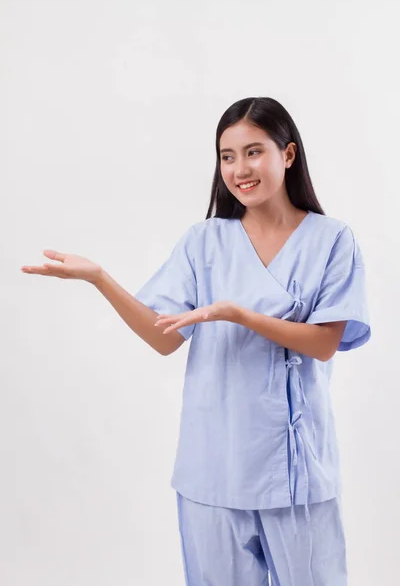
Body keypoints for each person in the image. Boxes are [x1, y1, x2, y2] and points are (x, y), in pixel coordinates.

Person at [21, 97, 371, 586]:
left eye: (253, 152)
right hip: (214, 466)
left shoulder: (332, 239)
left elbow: (323, 344)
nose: (239, 169)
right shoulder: (203, 242)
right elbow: (164, 339)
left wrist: (238, 314)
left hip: (296, 476)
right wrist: (100, 278)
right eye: (227, 156)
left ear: (287, 155)